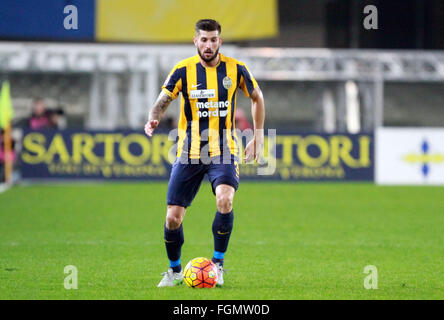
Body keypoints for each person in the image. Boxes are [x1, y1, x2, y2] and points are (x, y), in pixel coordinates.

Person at [144, 19, 265, 287]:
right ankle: (175, 270)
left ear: (220, 41)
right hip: (189, 151)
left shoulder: (236, 69)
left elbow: (257, 97)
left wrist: (257, 136)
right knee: (172, 218)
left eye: (213, 40)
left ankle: (218, 265)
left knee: (225, 199)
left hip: (224, 149)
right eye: (203, 40)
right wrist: (153, 118)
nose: (208, 45)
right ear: (195, 41)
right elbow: (161, 102)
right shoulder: (182, 71)